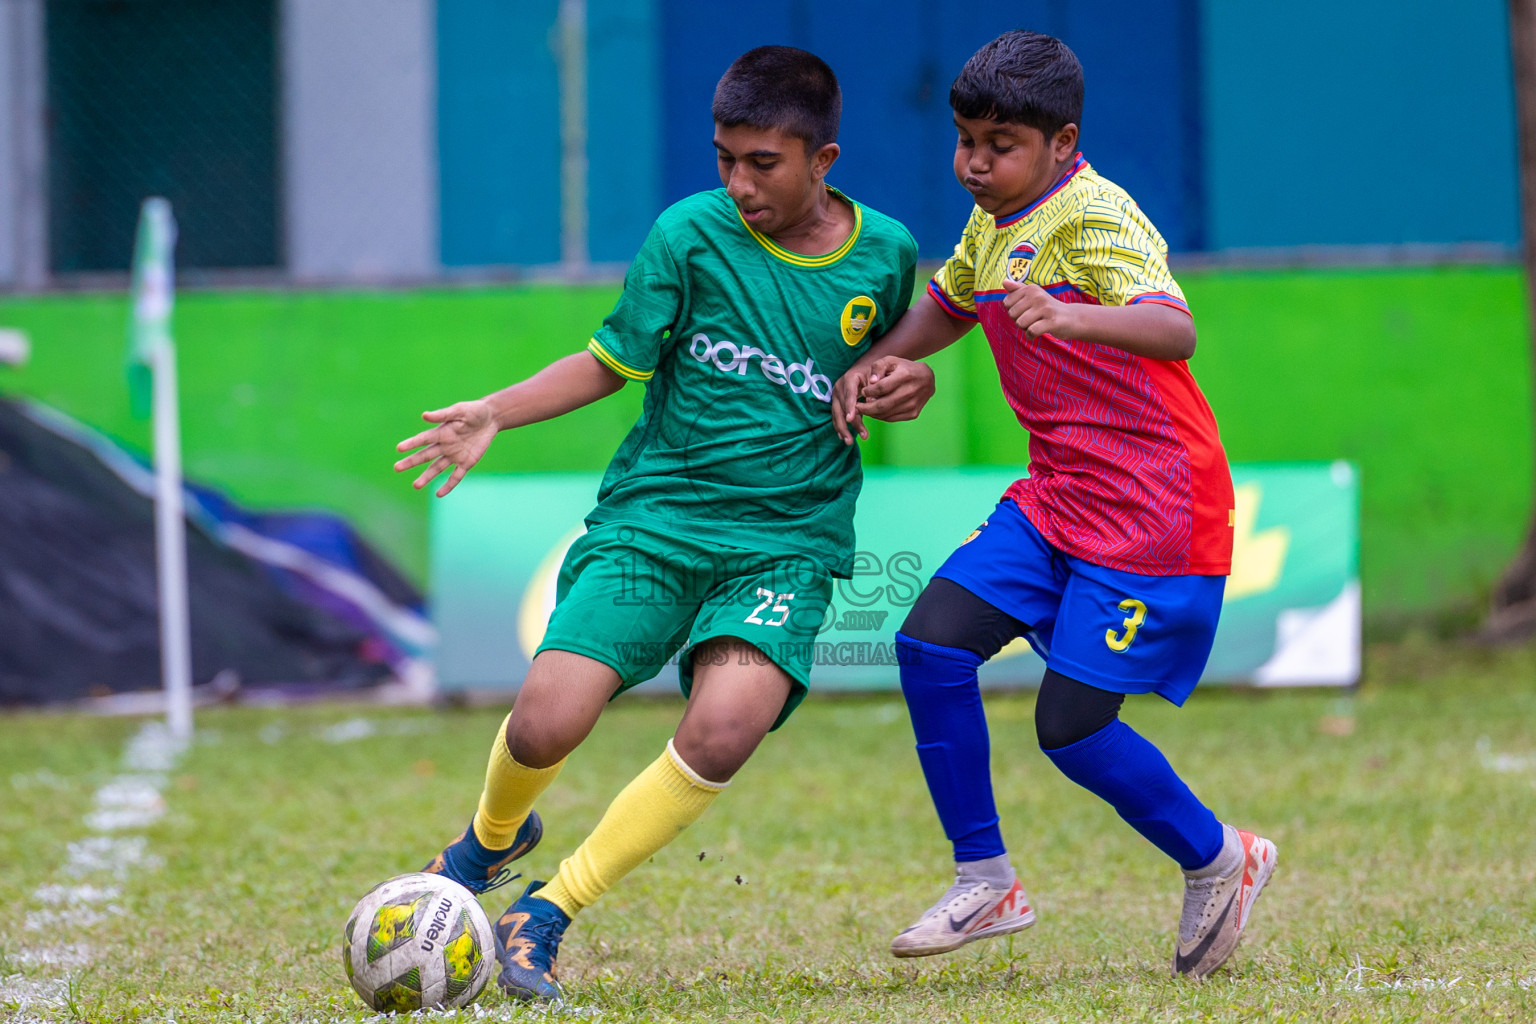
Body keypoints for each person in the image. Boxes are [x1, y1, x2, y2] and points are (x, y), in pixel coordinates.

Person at [394, 46, 917, 1001]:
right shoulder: (688, 235)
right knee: (547, 722)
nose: (739, 182)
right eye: (725, 158)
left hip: (786, 542)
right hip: (658, 522)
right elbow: (609, 363)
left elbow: (889, 368)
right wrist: (496, 412)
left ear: (823, 158)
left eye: (764, 162)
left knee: (723, 730)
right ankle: (483, 847)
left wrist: (900, 384)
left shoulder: (886, 254)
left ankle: (544, 914)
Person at [830, 30, 1276, 979]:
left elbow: (1175, 327)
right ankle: (986, 880)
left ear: (1061, 142)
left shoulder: (1096, 214)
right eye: (965, 140)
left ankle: (1220, 859)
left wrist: (1070, 314)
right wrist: (874, 364)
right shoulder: (994, 222)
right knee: (929, 642)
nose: (975, 164)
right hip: (1056, 498)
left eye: (1000, 144)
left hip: (1152, 507)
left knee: (1070, 730)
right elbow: (951, 305)